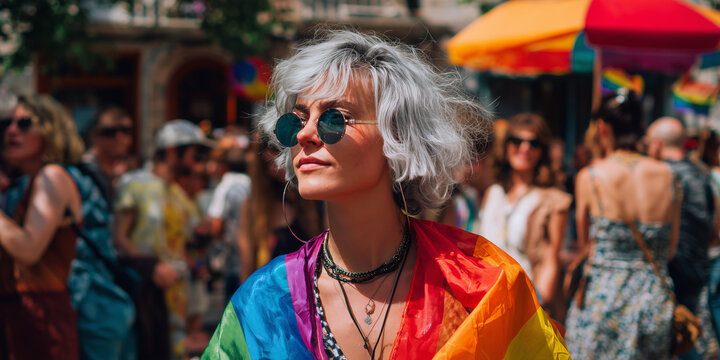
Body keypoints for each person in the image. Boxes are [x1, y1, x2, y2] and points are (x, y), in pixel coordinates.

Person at [202, 30, 568, 359]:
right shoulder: (264, 301)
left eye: (334, 118)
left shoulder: (482, 286)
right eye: (296, 120)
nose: (304, 135)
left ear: (399, 139)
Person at [565, 90, 681, 359]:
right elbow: (671, 250)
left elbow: (586, 247)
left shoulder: (591, 177)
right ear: (641, 127)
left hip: (604, 300)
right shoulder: (668, 175)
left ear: (602, 128)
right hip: (654, 298)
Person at [114, 119, 209, 360]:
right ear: (171, 151)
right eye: (194, 152)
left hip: (176, 298)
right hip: (142, 293)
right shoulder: (134, 184)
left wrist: (197, 262)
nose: (198, 159)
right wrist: (151, 267)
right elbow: (118, 237)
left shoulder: (178, 193)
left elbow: (184, 244)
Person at [0, 94, 84, 359]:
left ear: (50, 129)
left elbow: (28, 250)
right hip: (25, 314)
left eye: (24, 123)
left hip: (44, 316)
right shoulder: (32, 182)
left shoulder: (53, 177)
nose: (12, 131)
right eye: (9, 124)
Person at [477, 113, 571, 319]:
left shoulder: (553, 200)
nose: (524, 148)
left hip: (527, 304)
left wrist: (539, 304)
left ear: (542, 151)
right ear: (506, 146)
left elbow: (551, 260)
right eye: (517, 141)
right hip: (486, 301)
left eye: (533, 143)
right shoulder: (493, 193)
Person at [83, 106, 135, 191]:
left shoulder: (129, 171)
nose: (119, 137)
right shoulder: (83, 171)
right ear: (95, 135)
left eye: (125, 131)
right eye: (110, 132)